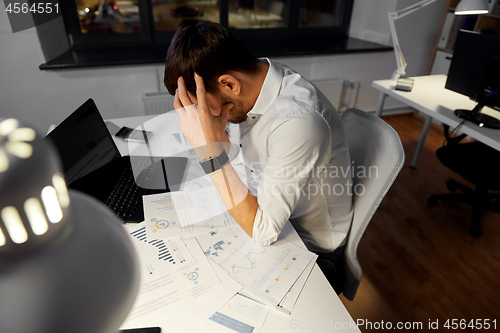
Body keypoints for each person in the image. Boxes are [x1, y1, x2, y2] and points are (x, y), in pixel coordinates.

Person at [164, 21, 353, 293]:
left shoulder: (296, 120)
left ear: (229, 83)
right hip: (275, 215)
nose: (202, 116)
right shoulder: (260, 82)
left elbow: (263, 230)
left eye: (201, 107)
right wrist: (218, 143)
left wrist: (209, 152)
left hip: (309, 245)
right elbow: (245, 166)